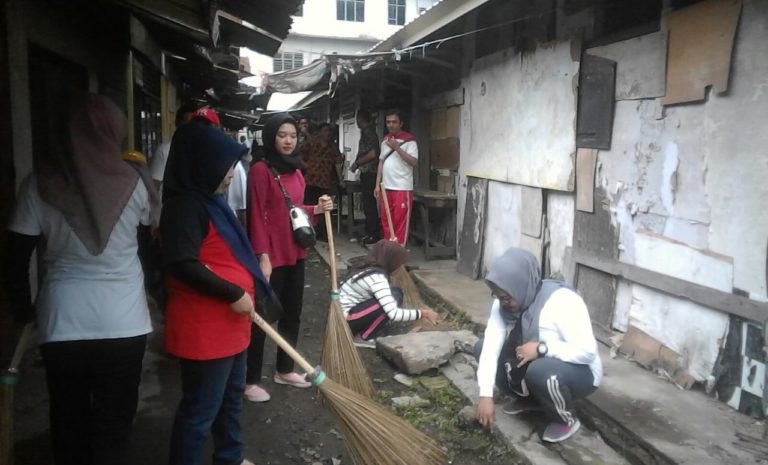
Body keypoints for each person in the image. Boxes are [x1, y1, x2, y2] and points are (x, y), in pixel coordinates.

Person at [3, 93, 157, 465]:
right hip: (125, 321)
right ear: (115, 130)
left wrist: (23, 309)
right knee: (114, 421)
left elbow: (14, 256)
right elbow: (146, 247)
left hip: (62, 323)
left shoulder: (39, 183)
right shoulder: (136, 183)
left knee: (68, 419)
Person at [160, 121, 273, 465]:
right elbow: (181, 263)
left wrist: (255, 265)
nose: (231, 174)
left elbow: (224, 250)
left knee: (230, 401)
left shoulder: (212, 201)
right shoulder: (184, 207)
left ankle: (229, 457)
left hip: (233, 324)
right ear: (201, 161)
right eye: (226, 165)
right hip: (205, 329)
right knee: (200, 411)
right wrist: (233, 292)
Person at [245, 113, 334, 402]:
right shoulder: (260, 170)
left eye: (293, 135)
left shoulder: (297, 170)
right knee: (262, 319)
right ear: (272, 136)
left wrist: (317, 209)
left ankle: (284, 369)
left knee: (292, 313)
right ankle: (250, 380)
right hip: (271, 255)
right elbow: (257, 215)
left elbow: (296, 211)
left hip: (295, 251)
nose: (287, 140)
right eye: (282, 135)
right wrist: (262, 256)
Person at [474, 247, 603, 443]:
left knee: (540, 370)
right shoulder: (502, 305)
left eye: (506, 296)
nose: (503, 302)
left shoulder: (562, 301)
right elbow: (491, 347)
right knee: (481, 348)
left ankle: (565, 419)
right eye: (498, 296)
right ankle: (531, 400)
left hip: (580, 371)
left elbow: (587, 352)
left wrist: (543, 349)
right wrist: (485, 395)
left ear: (521, 284)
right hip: (533, 359)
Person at [339, 240, 439, 341]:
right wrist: (423, 313)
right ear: (391, 261)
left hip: (351, 313)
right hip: (347, 320)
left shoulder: (368, 266)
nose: (399, 267)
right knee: (391, 302)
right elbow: (393, 314)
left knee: (396, 293)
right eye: (398, 263)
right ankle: (365, 336)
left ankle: (369, 329)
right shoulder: (376, 278)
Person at [373, 109, 418, 246]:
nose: (391, 125)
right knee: (386, 222)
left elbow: (414, 162)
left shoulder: (410, 141)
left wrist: (397, 148)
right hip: (386, 187)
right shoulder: (384, 141)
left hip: (402, 188)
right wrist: (377, 184)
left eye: (394, 122)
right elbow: (381, 162)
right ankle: (389, 252)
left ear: (401, 123)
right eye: (388, 122)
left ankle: (399, 253)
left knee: (400, 223)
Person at [302, 122, 344, 241]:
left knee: (324, 209)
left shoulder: (333, 147)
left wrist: (340, 180)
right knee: (310, 208)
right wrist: (305, 166)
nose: (328, 133)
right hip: (310, 181)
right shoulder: (311, 143)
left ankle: (325, 235)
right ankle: (309, 233)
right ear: (320, 132)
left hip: (326, 183)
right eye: (325, 130)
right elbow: (300, 154)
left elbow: (337, 163)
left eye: (329, 131)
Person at [149, 102, 197, 195]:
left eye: (193, 124)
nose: (189, 127)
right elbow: (154, 187)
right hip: (168, 207)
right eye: (185, 123)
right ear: (177, 123)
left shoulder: (202, 151)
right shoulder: (164, 150)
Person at [349, 108, 381, 245]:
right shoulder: (366, 132)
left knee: (370, 205)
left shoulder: (370, 133)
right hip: (366, 172)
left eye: (358, 119)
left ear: (362, 120)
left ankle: (373, 234)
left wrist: (357, 163)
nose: (357, 122)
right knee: (367, 205)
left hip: (370, 172)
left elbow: (373, 154)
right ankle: (369, 232)